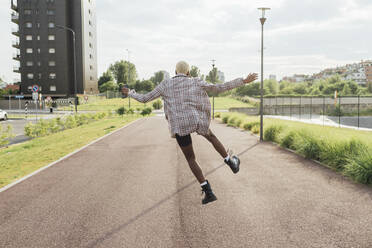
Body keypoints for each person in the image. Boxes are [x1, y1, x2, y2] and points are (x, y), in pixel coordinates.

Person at [122, 61, 257, 205]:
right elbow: (218, 88)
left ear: (175, 72)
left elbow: (144, 99)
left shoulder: (165, 84)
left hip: (179, 125)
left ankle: (208, 191)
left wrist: (131, 93)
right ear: (188, 72)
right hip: (196, 119)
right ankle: (230, 161)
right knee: (211, 137)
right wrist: (243, 81)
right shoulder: (195, 81)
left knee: (191, 159)